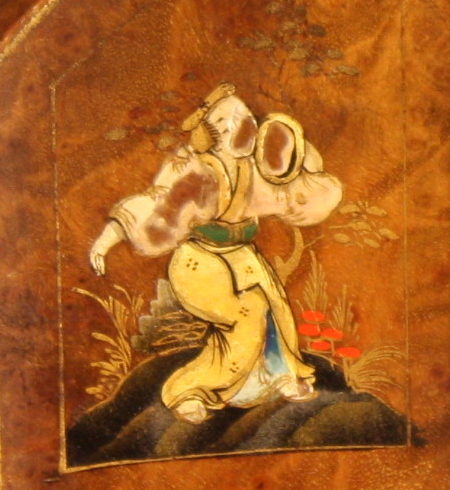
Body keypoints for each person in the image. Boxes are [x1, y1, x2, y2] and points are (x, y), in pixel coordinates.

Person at [87, 84, 344, 423]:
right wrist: (105, 241)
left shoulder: (255, 166)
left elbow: (296, 175)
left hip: (243, 254)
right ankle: (189, 393)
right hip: (200, 262)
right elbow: (154, 206)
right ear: (212, 132)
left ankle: (281, 377)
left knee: (275, 309)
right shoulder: (194, 171)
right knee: (246, 313)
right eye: (227, 123)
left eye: (244, 120)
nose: (238, 127)